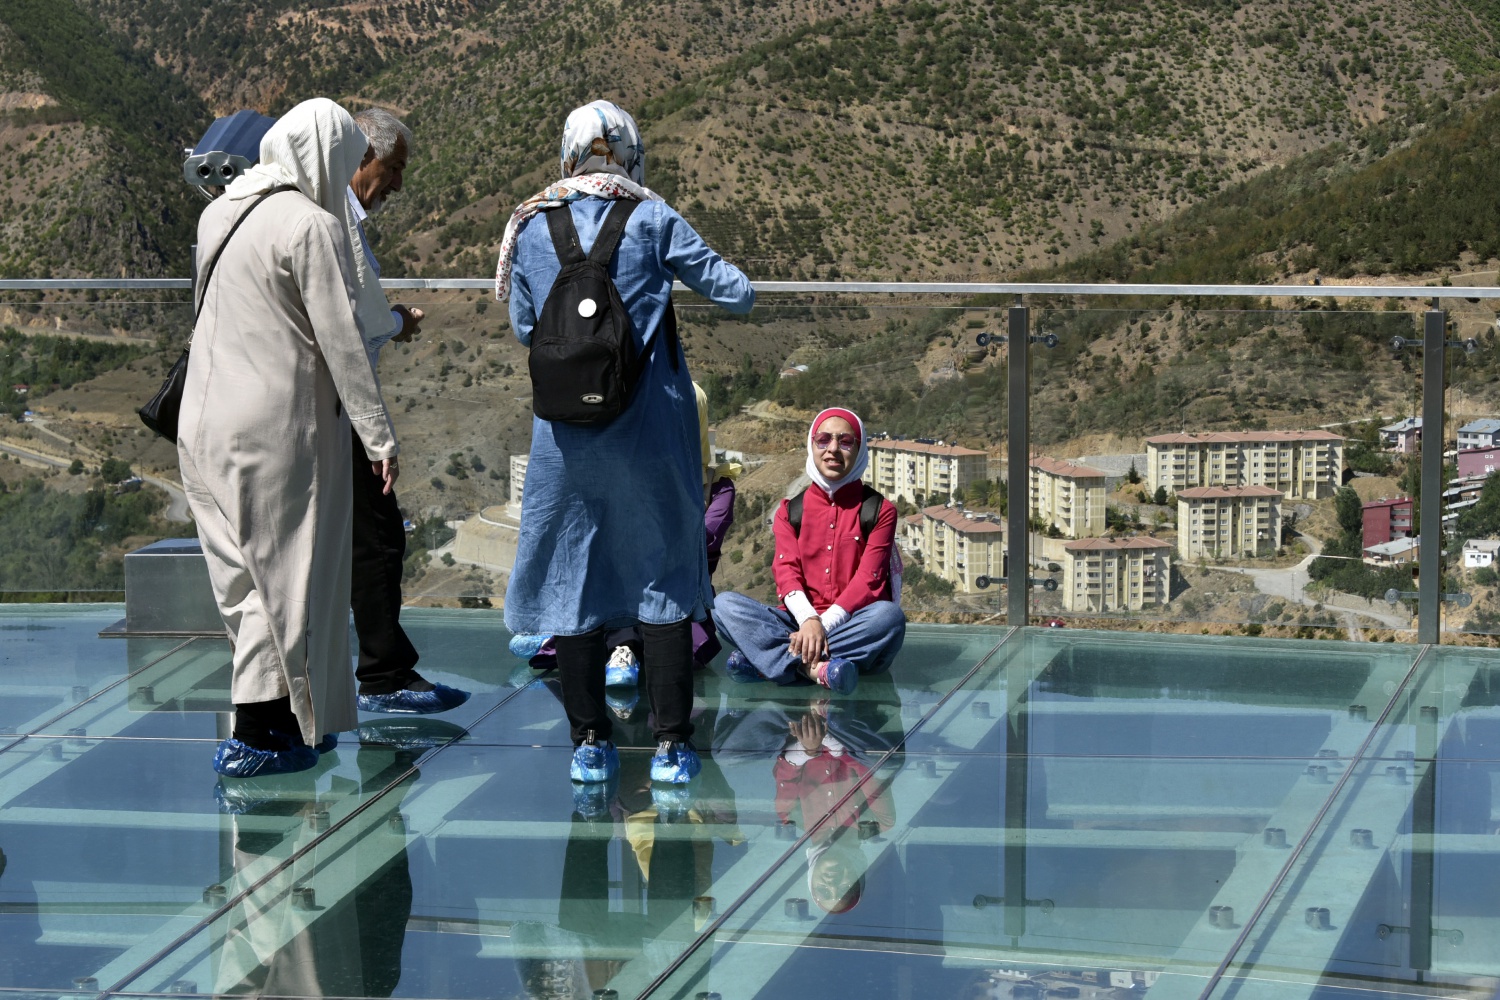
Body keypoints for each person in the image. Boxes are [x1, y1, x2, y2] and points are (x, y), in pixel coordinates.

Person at [496, 99, 754, 787]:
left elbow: (527, 327)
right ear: (632, 154)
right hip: (648, 430)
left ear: (567, 152)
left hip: (563, 440)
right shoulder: (653, 216)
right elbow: (738, 293)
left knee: (571, 579)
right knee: (664, 577)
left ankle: (588, 743)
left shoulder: (528, 227)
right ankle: (671, 745)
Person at [179, 98, 399, 777]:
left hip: (202, 423)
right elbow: (342, 342)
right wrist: (378, 436)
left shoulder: (218, 212)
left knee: (243, 584)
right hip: (277, 430)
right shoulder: (311, 225)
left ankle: (266, 725)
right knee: (293, 584)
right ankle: (271, 731)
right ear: (328, 156)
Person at [343, 106, 469, 716]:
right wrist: (398, 321)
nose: (397, 184)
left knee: (373, 538)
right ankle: (382, 675)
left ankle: (380, 669)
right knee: (378, 540)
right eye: (392, 169)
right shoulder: (334, 222)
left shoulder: (334, 218)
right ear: (361, 159)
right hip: (340, 409)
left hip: (335, 405)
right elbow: (360, 320)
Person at [713, 407, 906, 695]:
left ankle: (769, 663)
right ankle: (815, 670)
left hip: (852, 626)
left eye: (845, 441)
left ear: (859, 448)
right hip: (799, 621)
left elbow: (869, 580)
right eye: (823, 440)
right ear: (811, 445)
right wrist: (808, 619)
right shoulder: (790, 511)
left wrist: (819, 626)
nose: (832, 450)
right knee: (723, 605)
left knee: (888, 618)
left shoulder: (879, 511)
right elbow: (785, 570)